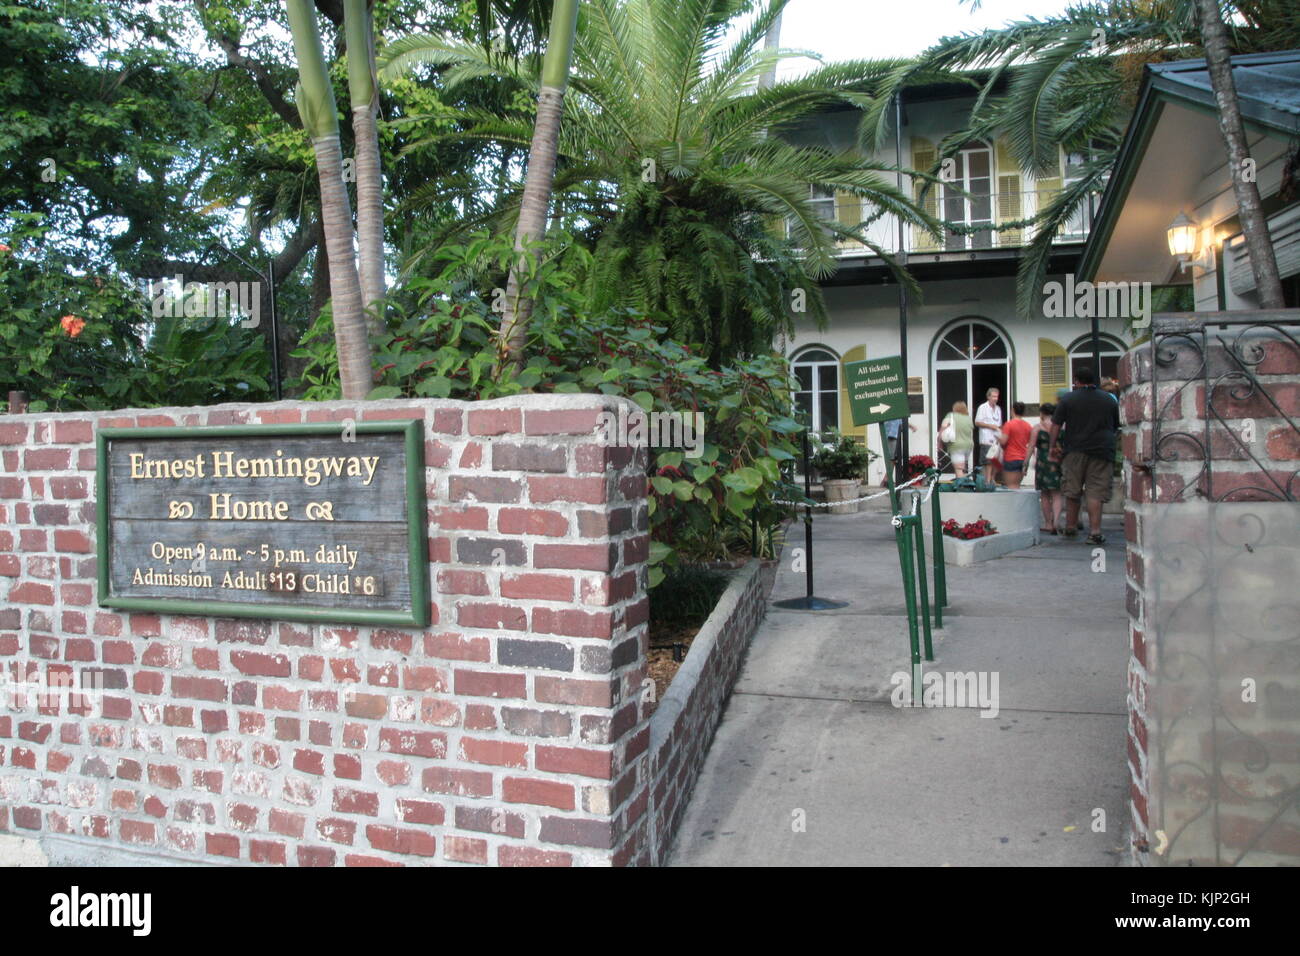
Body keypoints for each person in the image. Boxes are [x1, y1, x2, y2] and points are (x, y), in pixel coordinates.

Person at [1049, 368, 1121, 545]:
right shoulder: (1109, 400)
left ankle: (1071, 527)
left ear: (1076, 381)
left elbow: (1056, 425)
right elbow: (1116, 426)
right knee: (1096, 492)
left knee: (1072, 489)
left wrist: (1052, 446)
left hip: (1074, 450)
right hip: (1102, 450)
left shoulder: (1068, 399)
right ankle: (1095, 532)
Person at [1028, 402, 1064, 533]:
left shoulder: (1037, 428)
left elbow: (1031, 446)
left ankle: (1048, 523)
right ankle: (1057, 522)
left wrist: (1025, 463)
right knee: (1057, 494)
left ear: (1042, 413)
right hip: (1057, 461)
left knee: (1044, 494)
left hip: (1043, 462)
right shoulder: (1061, 427)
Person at [995, 401, 1033, 489]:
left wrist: (997, 437)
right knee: (1017, 486)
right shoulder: (1028, 426)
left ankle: (1013, 503)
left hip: (1011, 458)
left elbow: (1003, 441)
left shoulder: (1009, 425)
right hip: (1023, 458)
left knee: (1011, 486)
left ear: (1013, 410)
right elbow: (1030, 442)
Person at [974, 388, 1004, 484]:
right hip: (986, 438)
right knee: (988, 461)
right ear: (988, 397)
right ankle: (987, 480)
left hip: (997, 439)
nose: (996, 398)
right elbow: (977, 422)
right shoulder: (982, 407)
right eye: (994, 396)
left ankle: (992, 478)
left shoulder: (998, 409)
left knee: (997, 461)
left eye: (997, 396)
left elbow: (999, 423)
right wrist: (990, 426)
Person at [937, 401, 974, 477]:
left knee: (958, 469)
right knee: (961, 468)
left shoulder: (950, 415)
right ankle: (961, 484)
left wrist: (939, 442)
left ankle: (962, 487)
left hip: (956, 446)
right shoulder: (968, 418)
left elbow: (943, 428)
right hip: (968, 446)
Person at [884, 417, 917, 484]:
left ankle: (888, 478)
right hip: (892, 436)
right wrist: (911, 426)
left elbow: (900, 421)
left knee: (895, 458)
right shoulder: (894, 411)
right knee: (894, 458)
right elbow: (899, 421)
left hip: (893, 435)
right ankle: (887, 478)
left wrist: (911, 426)